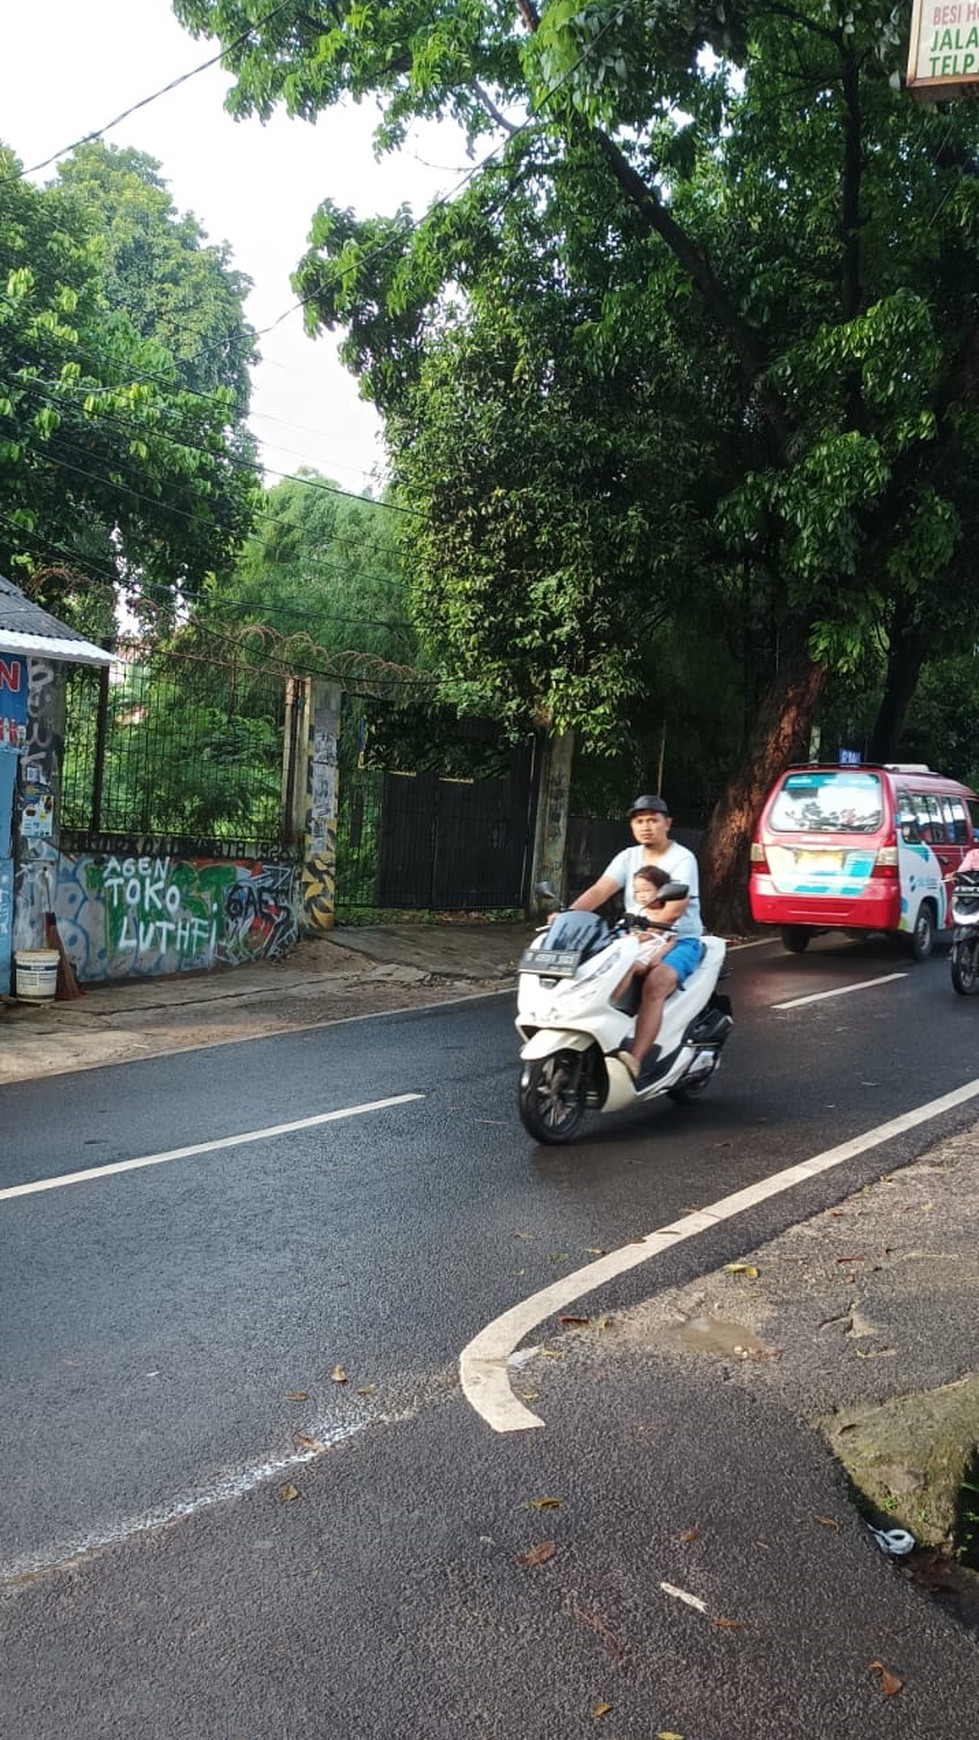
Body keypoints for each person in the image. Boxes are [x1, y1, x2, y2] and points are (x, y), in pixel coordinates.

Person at [570, 794, 705, 1083]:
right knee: (590, 968)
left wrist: (652, 929)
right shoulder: (628, 857)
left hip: (678, 939)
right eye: (639, 821)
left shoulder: (682, 859)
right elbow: (600, 891)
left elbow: (674, 909)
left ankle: (635, 1059)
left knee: (656, 983)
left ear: (667, 824)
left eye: (652, 820)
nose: (646, 826)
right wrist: (568, 915)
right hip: (633, 934)